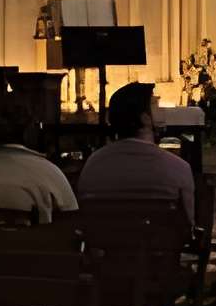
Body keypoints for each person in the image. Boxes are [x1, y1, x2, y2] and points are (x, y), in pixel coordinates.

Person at [75, 81, 195, 218]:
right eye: (155, 104)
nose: (162, 109)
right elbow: (187, 225)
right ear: (145, 118)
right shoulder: (178, 168)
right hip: (157, 238)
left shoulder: (92, 165)